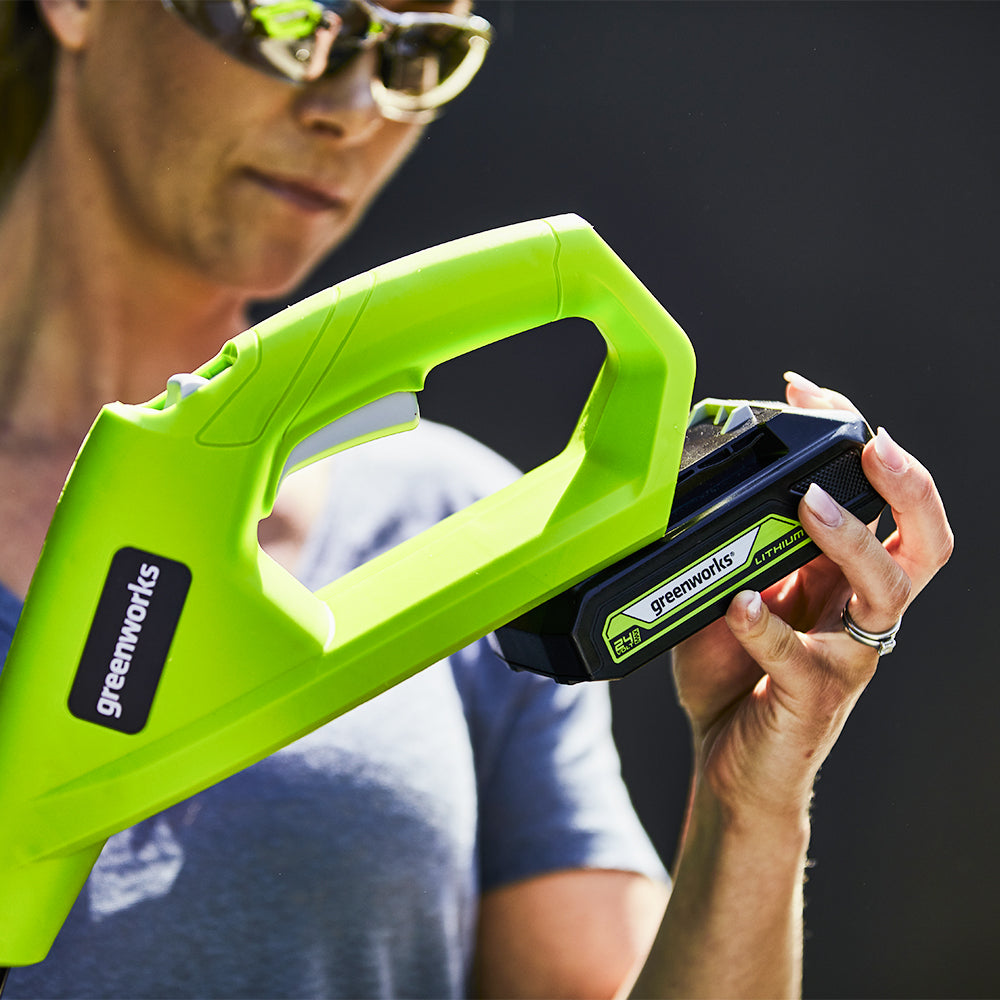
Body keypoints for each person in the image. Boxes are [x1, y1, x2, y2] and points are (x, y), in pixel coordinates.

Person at [0, 1, 953, 997]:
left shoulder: (472, 530)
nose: (353, 109)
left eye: (418, 52)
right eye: (290, 18)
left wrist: (751, 804)